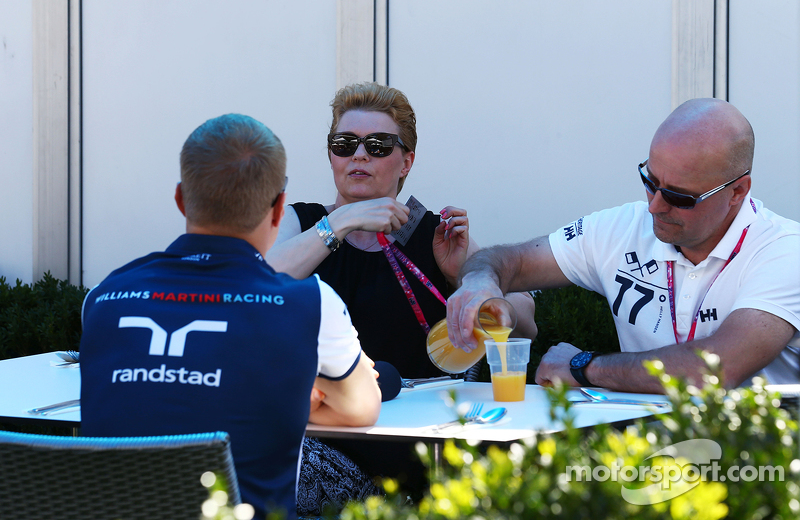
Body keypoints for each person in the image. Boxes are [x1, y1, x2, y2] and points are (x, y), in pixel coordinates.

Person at [79, 113, 381, 519]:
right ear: (277, 210)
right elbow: (361, 408)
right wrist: (275, 397)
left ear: (181, 199)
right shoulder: (312, 303)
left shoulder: (103, 299)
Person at [265, 82, 536, 513]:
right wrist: (340, 223)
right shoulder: (305, 223)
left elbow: (526, 316)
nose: (358, 155)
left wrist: (466, 283)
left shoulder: (431, 234)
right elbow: (254, 287)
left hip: (425, 445)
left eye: (377, 145)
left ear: (406, 160)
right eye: (344, 143)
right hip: (330, 445)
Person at [447, 98, 799, 393]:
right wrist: (480, 279)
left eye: (679, 197)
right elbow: (511, 261)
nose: (655, 206)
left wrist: (585, 367)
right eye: (650, 181)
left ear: (737, 191)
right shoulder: (622, 227)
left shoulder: (784, 251)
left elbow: (715, 369)